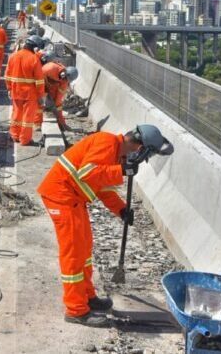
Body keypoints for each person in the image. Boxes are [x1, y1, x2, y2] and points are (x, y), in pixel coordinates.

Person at [36, 124, 170, 327]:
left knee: (84, 249)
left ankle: (87, 297)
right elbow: (88, 174)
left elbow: (102, 187)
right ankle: (76, 310)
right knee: (73, 254)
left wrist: (121, 209)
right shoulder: (106, 142)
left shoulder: (116, 153)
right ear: (139, 147)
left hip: (72, 199)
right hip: (61, 197)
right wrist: (121, 170)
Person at [6, 35, 46, 145]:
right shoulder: (34, 59)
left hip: (16, 91)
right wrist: (40, 95)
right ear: (34, 47)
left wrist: (9, 88)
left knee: (16, 114)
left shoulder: (13, 56)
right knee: (28, 118)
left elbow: (7, 75)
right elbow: (39, 80)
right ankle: (25, 139)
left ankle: (14, 135)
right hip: (30, 94)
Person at [37, 60, 79, 130]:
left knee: (56, 105)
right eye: (65, 78)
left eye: (67, 80)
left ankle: (61, 124)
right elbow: (38, 77)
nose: (64, 80)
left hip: (52, 87)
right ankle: (38, 124)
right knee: (39, 103)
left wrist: (62, 122)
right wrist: (41, 95)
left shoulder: (64, 82)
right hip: (41, 82)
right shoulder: (50, 68)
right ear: (65, 73)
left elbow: (58, 101)